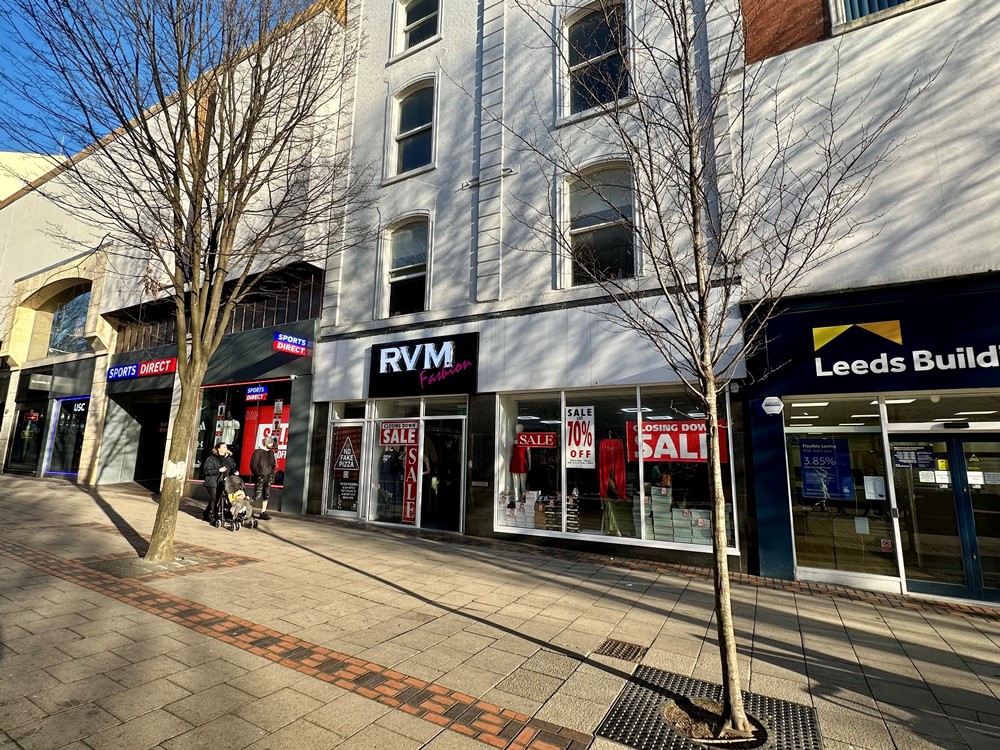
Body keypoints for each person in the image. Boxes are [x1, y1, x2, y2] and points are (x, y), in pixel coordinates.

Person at [202, 442, 237, 523]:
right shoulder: (211, 458)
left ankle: (206, 513)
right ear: (218, 449)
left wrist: (235, 471)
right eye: (224, 447)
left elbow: (232, 467)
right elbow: (206, 471)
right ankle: (216, 517)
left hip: (223, 481)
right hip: (212, 481)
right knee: (214, 498)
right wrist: (218, 470)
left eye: (226, 447)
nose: (226, 449)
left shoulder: (228, 458)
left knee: (216, 498)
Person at [250, 436, 278, 521]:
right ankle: (245, 507)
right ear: (266, 443)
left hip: (268, 476)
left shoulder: (271, 453)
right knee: (257, 495)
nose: (272, 445)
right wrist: (258, 475)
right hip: (261, 476)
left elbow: (273, 465)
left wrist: (272, 474)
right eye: (270, 443)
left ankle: (263, 512)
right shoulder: (257, 452)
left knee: (266, 495)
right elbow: (253, 465)